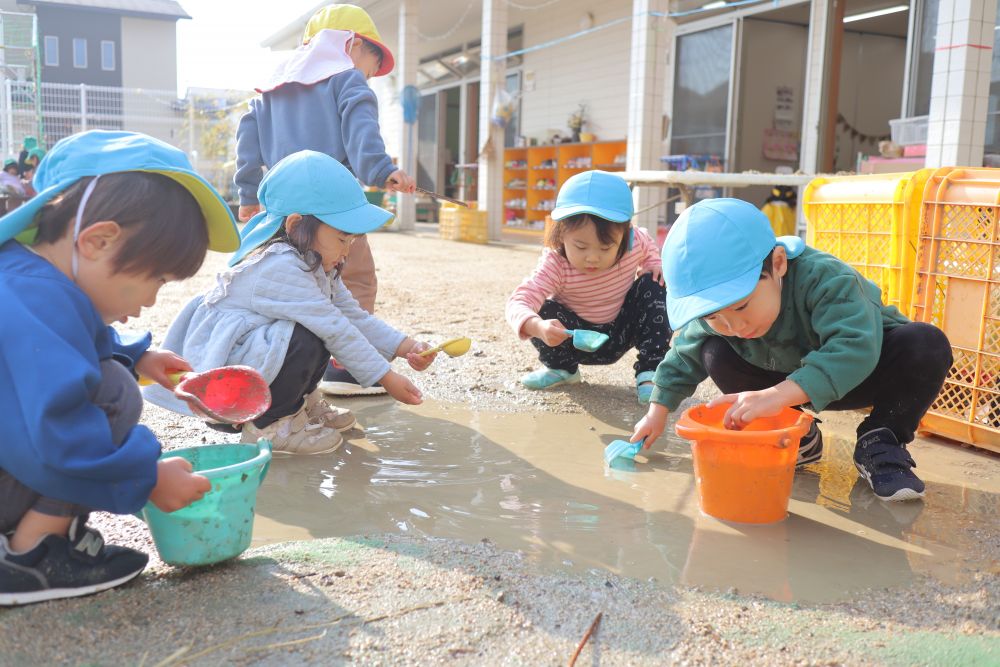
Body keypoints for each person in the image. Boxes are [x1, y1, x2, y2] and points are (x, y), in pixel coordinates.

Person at [0, 130, 241, 605]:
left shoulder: (25, 280)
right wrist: (147, 476)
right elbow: (56, 427)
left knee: (114, 370)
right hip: (27, 454)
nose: (152, 299)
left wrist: (137, 356)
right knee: (113, 392)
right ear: (98, 240)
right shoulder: (36, 301)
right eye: (154, 279)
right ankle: (33, 556)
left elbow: (62, 342)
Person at [631, 198, 953, 501]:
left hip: (863, 372)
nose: (735, 326)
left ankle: (880, 440)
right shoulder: (721, 318)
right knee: (713, 349)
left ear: (779, 264)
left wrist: (776, 396)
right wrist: (656, 412)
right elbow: (684, 353)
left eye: (742, 306)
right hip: (783, 385)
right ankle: (796, 436)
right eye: (714, 316)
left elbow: (855, 346)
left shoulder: (825, 279)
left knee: (926, 344)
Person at [146, 150, 435, 455]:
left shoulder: (315, 263)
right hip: (229, 390)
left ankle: (299, 409)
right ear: (296, 225)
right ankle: (270, 427)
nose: (346, 252)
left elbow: (354, 317)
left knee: (317, 328)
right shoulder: (278, 265)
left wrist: (405, 346)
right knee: (313, 332)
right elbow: (336, 327)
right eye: (341, 239)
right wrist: (386, 378)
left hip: (252, 373)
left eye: (351, 241)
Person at [234, 3, 416, 398]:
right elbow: (360, 127)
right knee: (354, 281)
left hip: (282, 212)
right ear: (351, 45)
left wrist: (248, 194)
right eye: (373, 60)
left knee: (291, 288)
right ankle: (347, 367)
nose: (369, 72)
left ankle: (280, 372)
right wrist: (380, 169)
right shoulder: (346, 79)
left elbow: (247, 138)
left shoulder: (271, 89)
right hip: (334, 210)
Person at [506, 170, 670, 403]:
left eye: (605, 248)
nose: (592, 258)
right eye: (581, 247)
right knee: (542, 309)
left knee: (655, 283)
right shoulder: (556, 263)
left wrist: (654, 264)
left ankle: (650, 373)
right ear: (561, 234)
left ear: (625, 236)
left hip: (622, 329)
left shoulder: (635, 243)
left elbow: (650, 249)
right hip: (574, 337)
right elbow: (519, 301)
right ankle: (562, 370)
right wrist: (538, 327)